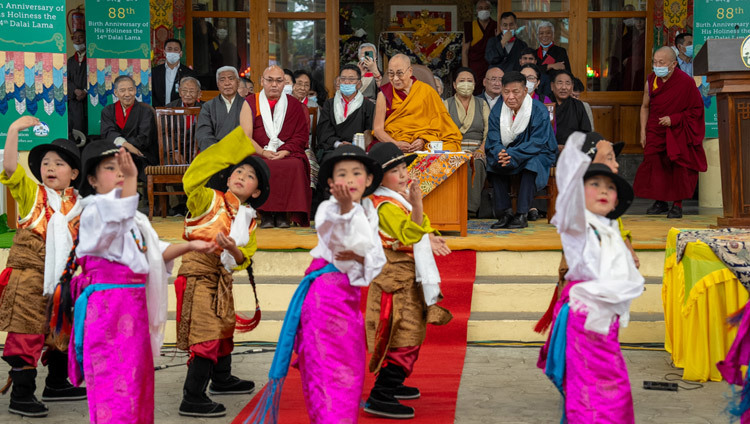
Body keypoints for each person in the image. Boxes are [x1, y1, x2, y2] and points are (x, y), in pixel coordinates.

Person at [62, 142, 215, 424]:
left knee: (136, 381)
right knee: (112, 382)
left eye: (124, 168)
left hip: (133, 306)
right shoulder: (93, 209)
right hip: (107, 307)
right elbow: (116, 221)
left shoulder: (138, 219)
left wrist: (191, 245)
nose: (121, 172)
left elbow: (155, 253)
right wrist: (133, 180)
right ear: (92, 180)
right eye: (111, 168)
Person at [244, 144, 385, 423]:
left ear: (368, 180)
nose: (349, 179)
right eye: (341, 174)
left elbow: (375, 260)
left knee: (351, 372)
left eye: (356, 173)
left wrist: (360, 256)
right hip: (323, 301)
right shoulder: (328, 210)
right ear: (331, 183)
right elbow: (336, 242)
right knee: (326, 374)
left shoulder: (370, 211)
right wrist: (345, 213)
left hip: (349, 302)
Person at [537, 132, 643, 424]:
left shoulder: (606, 224)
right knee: (596, 392)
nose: (603, 189)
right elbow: (571, 186)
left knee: (605, 389)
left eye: (609, 186)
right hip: (585, 317)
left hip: (602, 318)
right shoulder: (577, 221)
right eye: (594, 183)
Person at [175, 127, 269, 418]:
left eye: (249, 175)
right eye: (238, 171)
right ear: (228, 178)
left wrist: (234, 249)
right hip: (197, 274)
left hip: (221, 279)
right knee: (206, 334)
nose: (241, 175)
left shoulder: (250, 220)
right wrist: (237, 146)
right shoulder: (207, 199)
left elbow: (245, 259)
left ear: (256, 191)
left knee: (224, 329)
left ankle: (222, 379)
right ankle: (192, 396)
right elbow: (192, 178)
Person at [0, 117, 86, 418]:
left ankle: (57, 384)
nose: (50, 168)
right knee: (27, 335)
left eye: (59, 164)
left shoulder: (79, 204)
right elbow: (11, 169)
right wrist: (12, 131)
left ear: (74, 173)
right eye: (46, 163)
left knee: (62, 331)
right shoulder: (31, 194)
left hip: (62, 282)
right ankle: (22, 396)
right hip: (28, 280)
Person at [363, 142, 452, 419]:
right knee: (404, 333)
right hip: (394, 281)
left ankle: (394, 384)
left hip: (406, 276)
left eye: (403, 168)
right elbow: (412, 234)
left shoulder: (395, 199)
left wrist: (429, 231)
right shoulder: (385, 205)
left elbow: (422, 228)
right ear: (379, 178)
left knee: (410, 329)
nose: (403, 175)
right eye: (395, 171)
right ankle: (381, 394)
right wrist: (418, 205)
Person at [534, 131, 639, 336]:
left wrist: (628, 252)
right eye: (610, 159)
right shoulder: (577, 207)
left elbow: (616, 227)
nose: (616, 165)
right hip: (584, 301)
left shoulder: (604, 206)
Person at [634, 47, 706, 219]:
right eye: (654, 62)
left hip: (677, 131)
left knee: (678, 166)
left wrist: (674, 119)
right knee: (655, 166)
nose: (657, 66)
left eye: (661, 62)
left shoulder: (686, 82)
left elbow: (697, 109)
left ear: (673, 64)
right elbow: (645, 107)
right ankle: (660, 202)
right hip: (655, 129)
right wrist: (643, 132)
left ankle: (677, 204)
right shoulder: (651, 80)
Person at [239, 65, 311, 228]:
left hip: (286, 152)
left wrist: (285, 151)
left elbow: (301, 136)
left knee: (295, 164)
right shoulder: (250, 102)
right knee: (258, 164)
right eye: (270, 80)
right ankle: (265, 214)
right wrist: (263, 152)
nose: (274, 85)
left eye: (279, 81)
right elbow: (246, 136)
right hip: (258, 151)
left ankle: (284, 214)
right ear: (262, 81)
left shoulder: (294, 105)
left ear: (285, 84)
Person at [485, 71, 556, 229]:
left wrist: (511, 154)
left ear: (525, 91)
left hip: (538, 152)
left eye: (515, 92)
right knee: (493, 161)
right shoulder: (498, 110)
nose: (510, 97)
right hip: (509, 152)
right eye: (506, 92)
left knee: (531, 163)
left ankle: (522, 214)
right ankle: (506, 213)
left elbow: (538, 142)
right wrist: (500, 152)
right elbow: (493, 138)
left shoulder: (538, 110)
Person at [372, 54, 462, 153]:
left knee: (450, 147)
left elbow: (441, 125)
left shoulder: (427, 91)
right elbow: (378, 129)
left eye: (399, 73)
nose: (395, 79)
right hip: (394, 142)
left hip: (424, 144)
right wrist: (396, 144)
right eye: (391, 74)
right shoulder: (384, 95)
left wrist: (424, 140)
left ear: (410, 71)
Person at [444, 67, 490, 218]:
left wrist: (481, 150)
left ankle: (469, 211)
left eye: (469, 81)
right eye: (461, 81)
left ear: (475, 84)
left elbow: (489, 131)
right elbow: (441, 131)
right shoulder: (446, 104)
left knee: (476, 163)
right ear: (455, 85)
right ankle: (451, 209)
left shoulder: (481, 104)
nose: (466, 84)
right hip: (453, 149)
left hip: (477, 149)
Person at [316, 64, 375, 162]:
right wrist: (338, 144)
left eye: (351, 80)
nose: (346, 82)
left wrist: (354, 145)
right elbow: (323, 132)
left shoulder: (368, 106)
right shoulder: (329, 104)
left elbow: (370, 133)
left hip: (359, 150)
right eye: (343, 79)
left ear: (359, 84)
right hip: (333, 150)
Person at [100, 75, 158, 168]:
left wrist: (124, 146)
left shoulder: (146, 111)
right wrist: (126, 145)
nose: (127, 94)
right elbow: (108, 133)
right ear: (115, 92)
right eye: (122, 90)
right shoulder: (108, 111)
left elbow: (144, 138)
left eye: (130, 89)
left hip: (140, 154)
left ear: (135, 90)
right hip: (116, 152)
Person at [195, 66, 244, 152]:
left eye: (231, 78)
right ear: (218, 84)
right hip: (216, 154)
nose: (227, 83)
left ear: (238, 82)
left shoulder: (247, 105)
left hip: (241, 152)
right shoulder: (208, 107)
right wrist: (218, 151)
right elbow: (203, 134)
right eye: (222, 80)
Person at [462, 0, 497, 95]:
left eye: (486, 8)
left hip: (490, 65)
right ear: (476, 11)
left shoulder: (496, 26)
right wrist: (466, 71)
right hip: (474, 67)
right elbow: (465, 51)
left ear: (490, 10)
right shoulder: (470, 26)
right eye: (480, 8)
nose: (483, 10)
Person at [551, 70, 592, 148]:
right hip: (548, 150)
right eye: (560, 83)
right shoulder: (545, 103)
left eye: (567, 83)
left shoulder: (578, 105)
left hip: (573, 149)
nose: (564, 87)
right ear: (552, 86)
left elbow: (586, 132)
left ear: (572, 87)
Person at [152, 39, 197, 108]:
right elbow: (152, 94)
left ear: (181, 54)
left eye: (176, 49)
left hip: (179, 112)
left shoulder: (188, 73)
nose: (172, 52)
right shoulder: (155, 71)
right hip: (159, 112)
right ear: (164, 53)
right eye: (169, 49)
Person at [67, 29, 88, 136]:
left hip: (88, 101)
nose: (78, 40)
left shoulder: (91, 59)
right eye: (75, 38)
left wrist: (85, 91)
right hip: (74, 102)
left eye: (81, 37)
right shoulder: (70, 61)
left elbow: (95, 77)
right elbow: (66, 79)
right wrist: (75, 90)